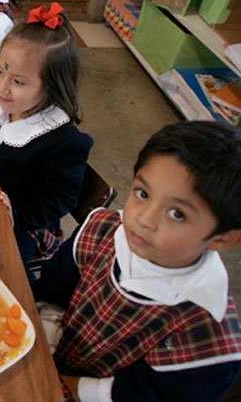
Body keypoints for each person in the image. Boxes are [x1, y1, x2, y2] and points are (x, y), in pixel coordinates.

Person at [33, 121, 241, 401]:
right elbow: (49, 289)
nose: (143, 219)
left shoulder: (206, 336)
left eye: (177, 214)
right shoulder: (102, 229)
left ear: (223, 239)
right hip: (45, 355)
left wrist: (59, 386)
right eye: (142, 194)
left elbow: (139, 395)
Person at [0, 3, 93, 270]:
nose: (2, 87)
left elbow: (59, 200)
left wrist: (16, 215)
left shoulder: (64, 142)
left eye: (18, 82)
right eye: (0, 71)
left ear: (51, 87)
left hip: (26, 226)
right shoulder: (7, 105)